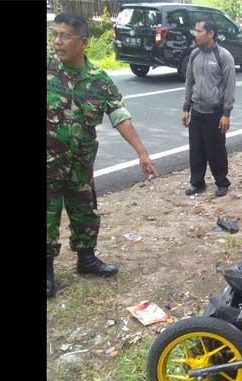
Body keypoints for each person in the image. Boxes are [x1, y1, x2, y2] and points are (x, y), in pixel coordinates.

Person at [47, 12, 158, 298]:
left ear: (83, 42)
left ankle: (86, 259)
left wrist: (142, 153)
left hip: (81, 164)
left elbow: (120, 116)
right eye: (54, 34)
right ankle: (47, 271)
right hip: (48, 165)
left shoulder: (99, 80)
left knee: (85, 211)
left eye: (64, 36)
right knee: (48, 215)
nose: (57, 41)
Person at [182, 19, 236, 197]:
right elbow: (190, 82)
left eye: (199, 31)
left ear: (210, 33)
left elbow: (229, 86)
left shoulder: (224, 56)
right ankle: (197, 182)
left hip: (215, 113)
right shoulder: (194, 55)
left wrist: (226, 114)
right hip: (197, 111)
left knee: (216, 150)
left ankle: (221, 182)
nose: (195, 34)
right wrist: (186, 108)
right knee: (196, 149)